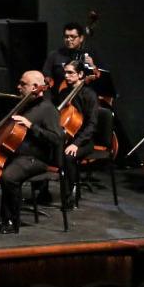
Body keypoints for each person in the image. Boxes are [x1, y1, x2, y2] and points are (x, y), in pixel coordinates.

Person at [0, 70, 64, 234]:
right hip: (16, 154)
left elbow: (56, 138)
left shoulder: (48, 109)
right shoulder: (23, 104)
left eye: (22, 84)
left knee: (9, 177)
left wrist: (31, 126)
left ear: (35, 87)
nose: (18, 87)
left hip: (36, 158)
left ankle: (11, 221)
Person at [55, 60, 97, 207]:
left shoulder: (89, 95)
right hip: (66, 136)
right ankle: (43, 193)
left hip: (84, 141)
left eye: (70, 73)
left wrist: (76, 144)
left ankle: (72, 193)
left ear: (80, 74)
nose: (66, 76)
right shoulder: (64, 93)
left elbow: (92, 125)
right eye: (65, 72)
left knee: (68, 156)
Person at [43, 21, 100, 89]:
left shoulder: (90, 56)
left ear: (81, 38)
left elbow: (100, 78)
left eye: (72, 36)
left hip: (83, 95)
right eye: (66, 36)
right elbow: (46, 76)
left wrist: (92, 66)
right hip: (59, 95)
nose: (69, 39)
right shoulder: (54, 55)